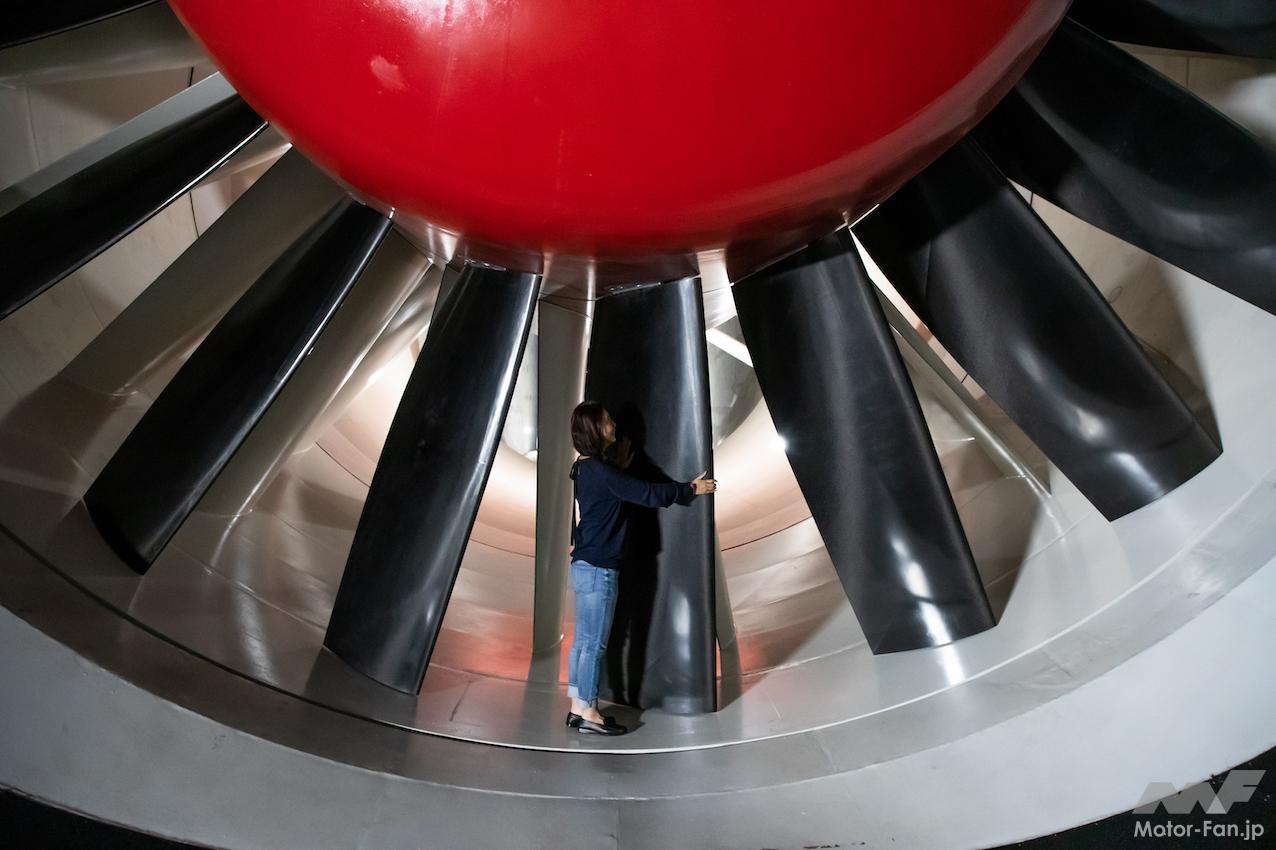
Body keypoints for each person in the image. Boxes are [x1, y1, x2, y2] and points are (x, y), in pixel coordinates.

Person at [565, 400, 716, 735]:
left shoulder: (584, 468)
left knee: (583, 642)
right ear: (594, 430)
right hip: (599, 568)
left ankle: (578, 705)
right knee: (593, 644)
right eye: (607, 420)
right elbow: (646, 493)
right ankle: (588, 712)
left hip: (585, 564)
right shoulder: (602, 473)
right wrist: (691, 488)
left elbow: (612, 493)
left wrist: (618, 468)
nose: (613, 424)